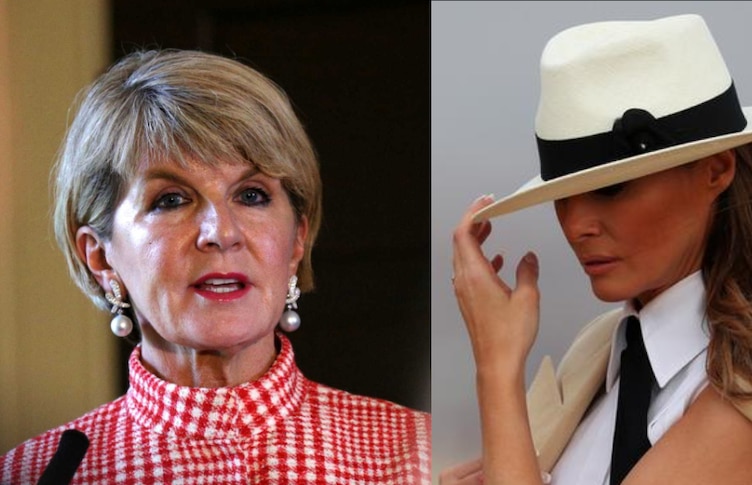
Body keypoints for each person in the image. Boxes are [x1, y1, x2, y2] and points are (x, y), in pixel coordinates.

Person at [441, 13, 752, 485]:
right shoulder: (592, 360)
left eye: (613, 188)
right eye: (562, 197)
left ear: (716, 171)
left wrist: (497, 367)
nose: (576, 226)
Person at [0, 49, 430, 484]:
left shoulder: (421, 455)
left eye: (251, 195)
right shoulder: (35, 473)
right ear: (100, 256)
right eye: (171, 200)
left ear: (297, 239)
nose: (221, 232)